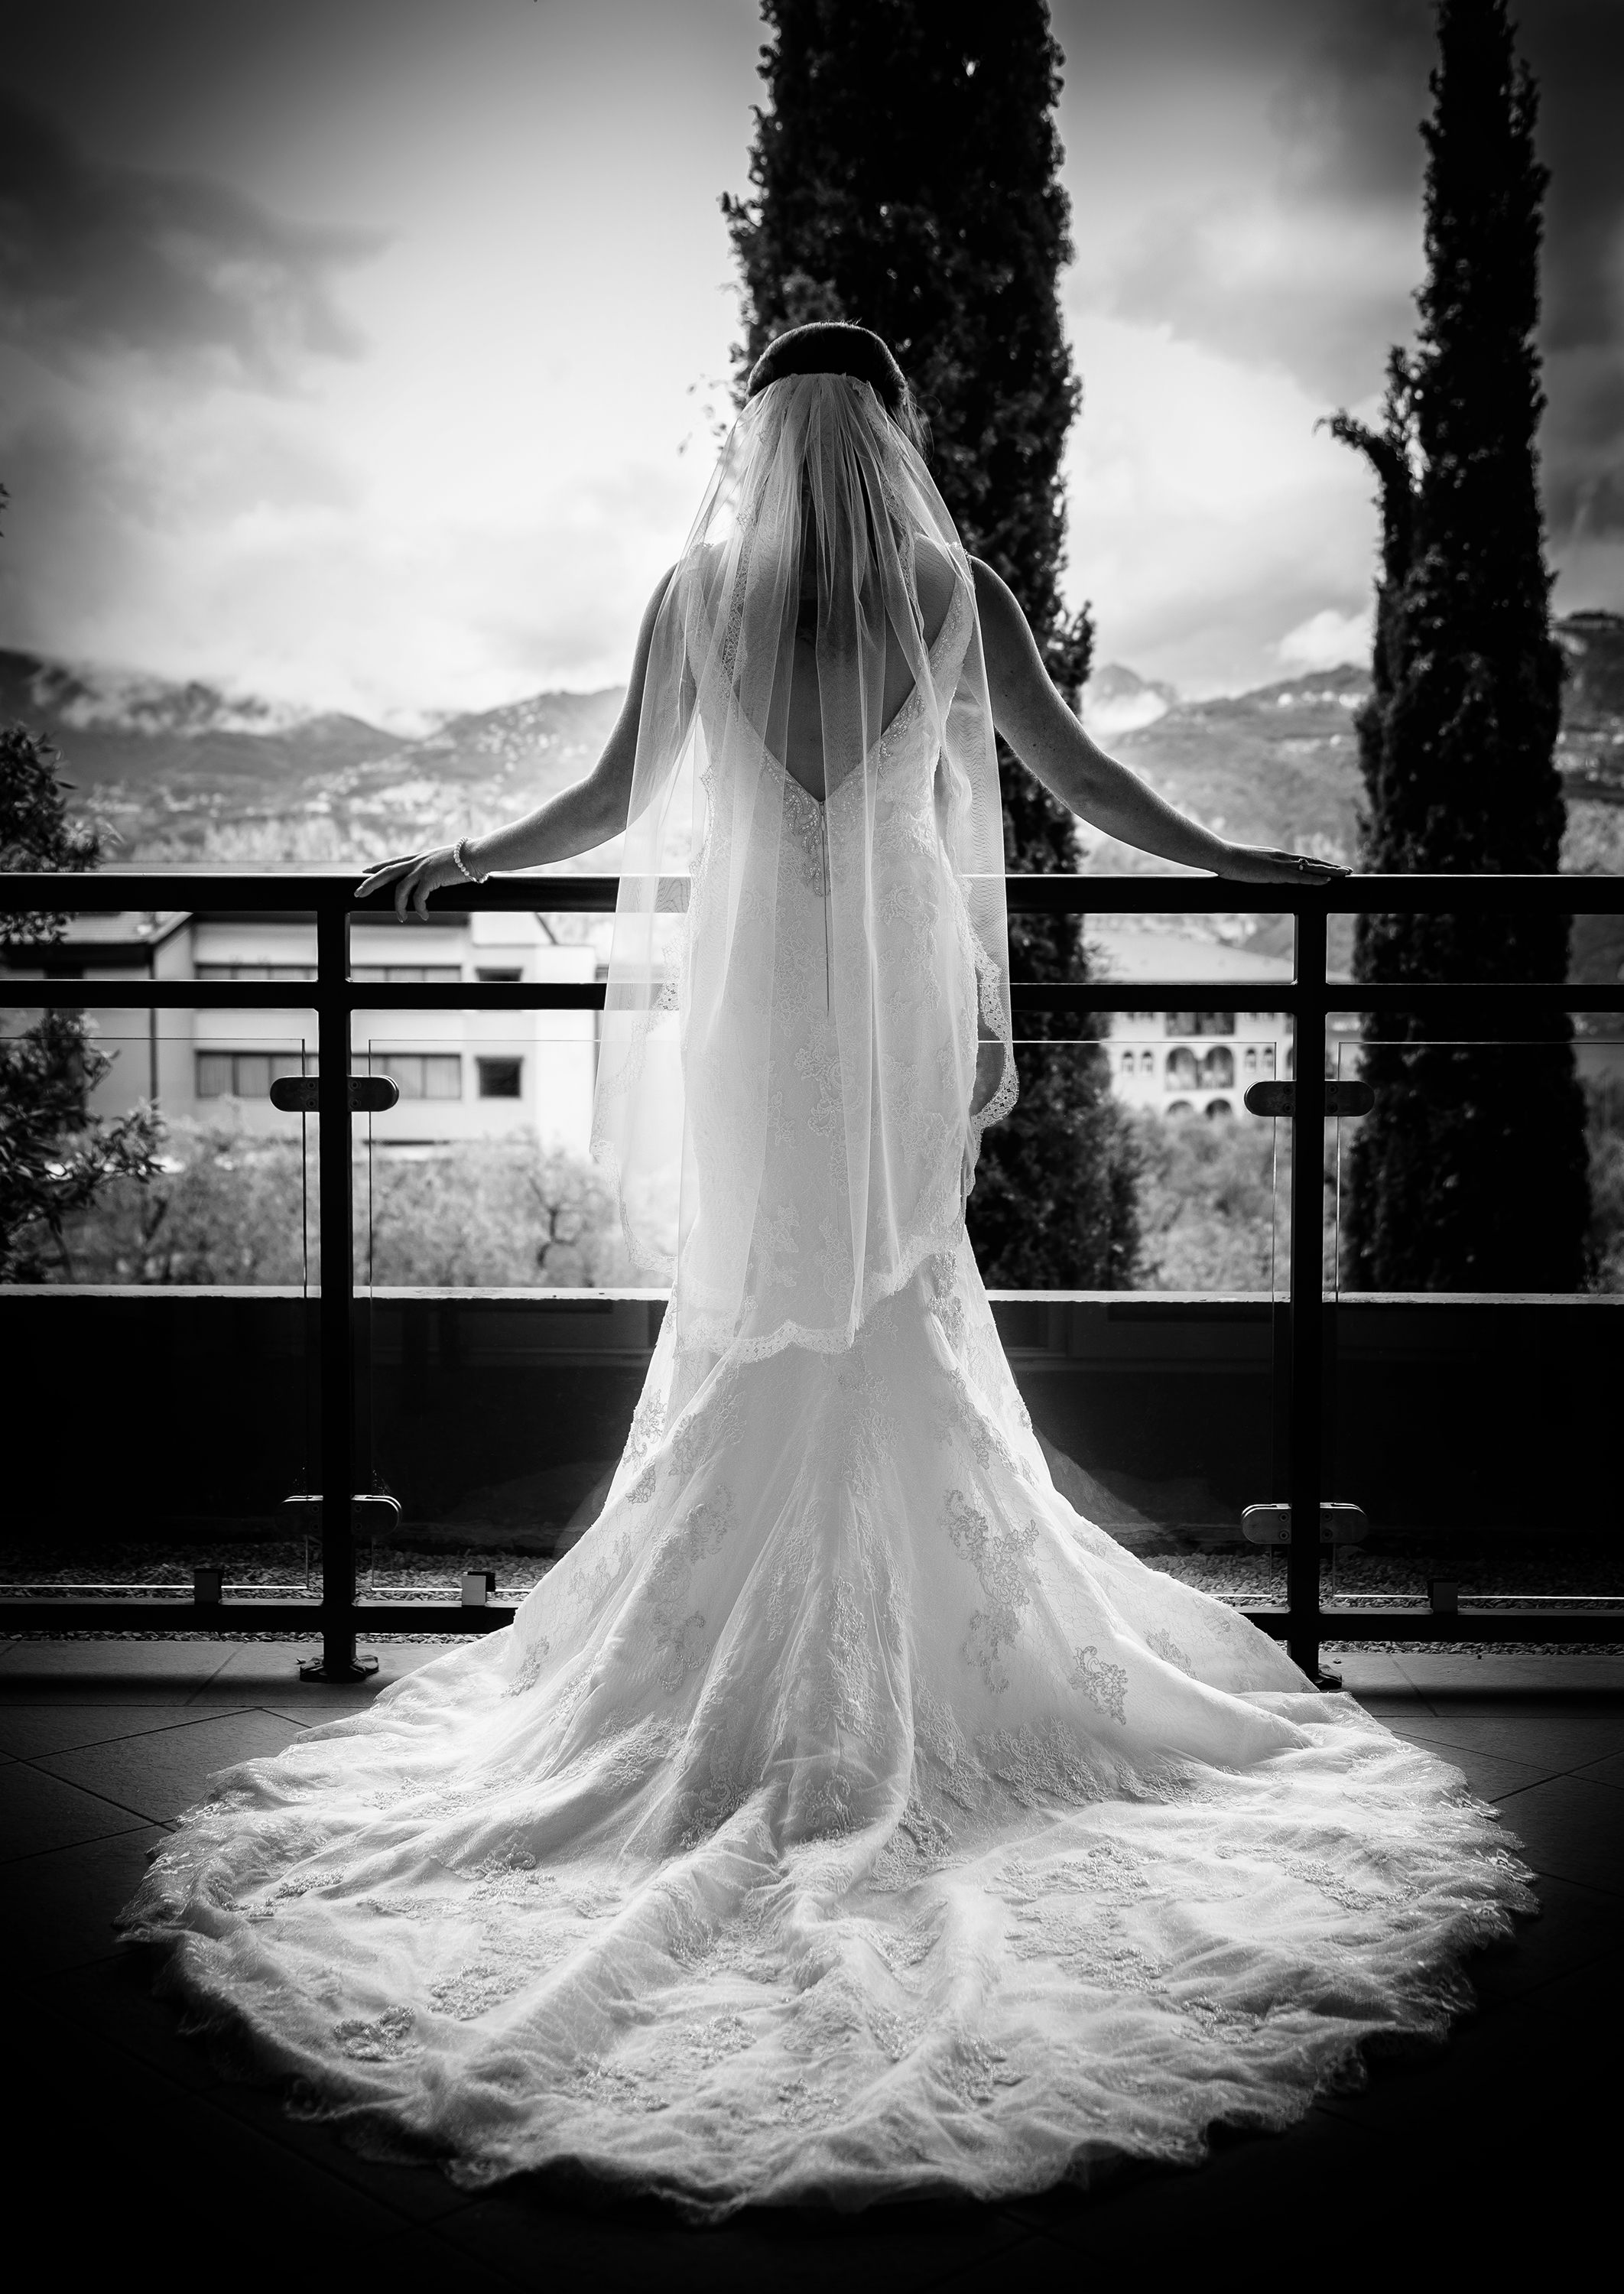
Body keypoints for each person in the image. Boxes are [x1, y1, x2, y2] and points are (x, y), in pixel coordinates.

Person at [123, 324, 1528, 2219]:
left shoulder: (695, 593)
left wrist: (447, 862)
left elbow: (612, 809)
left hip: (762, 1015)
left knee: (754, 1305)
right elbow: (1085, 781)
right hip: (881, 1012)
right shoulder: (958, 591)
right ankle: (922, 1680)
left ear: (761, 439)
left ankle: (715, 1688)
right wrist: (1245, 869)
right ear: (890, 436)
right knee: (894, 1298)